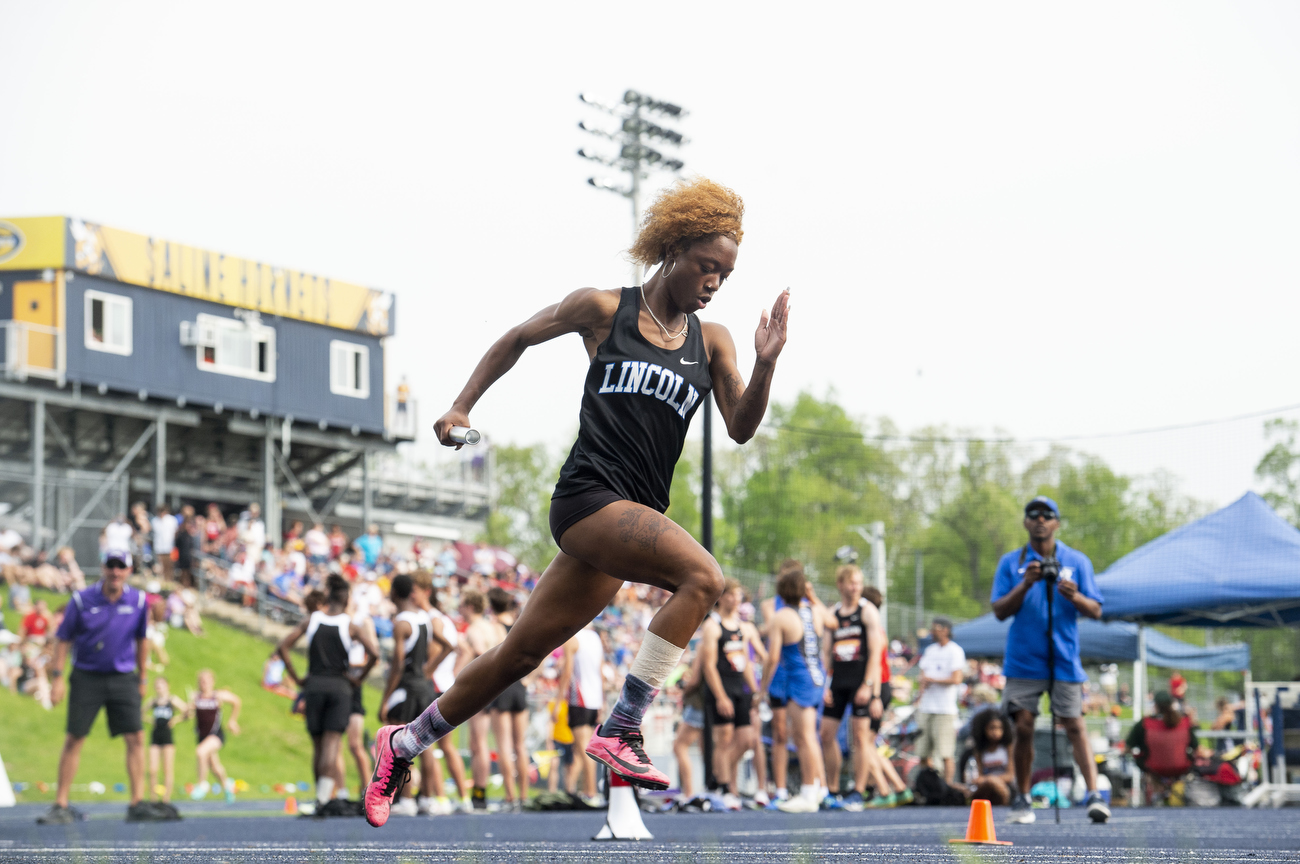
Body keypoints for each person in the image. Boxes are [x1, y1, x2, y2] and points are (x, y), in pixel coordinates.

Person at [363, 178, 785, 828]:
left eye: (725, 276)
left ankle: (404, 741)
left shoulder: (715, 341)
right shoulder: (602, 308)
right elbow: (517, 338)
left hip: (629, 524)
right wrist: (460, 405)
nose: (713, 284)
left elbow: (740, 425)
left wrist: (764, 365)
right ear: (673, 248)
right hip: (588, 501)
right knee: (704, 577)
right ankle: (623, 727)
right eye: (707, 267)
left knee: (517, 657)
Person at [991, 495, 1109, 824]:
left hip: (1065, 657)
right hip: (1023, 660)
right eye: (1033, 514)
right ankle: (1023, 796)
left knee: (1074, 725)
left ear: (1057, 522)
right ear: (1026, 522)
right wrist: (1025, 584)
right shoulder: (1010, 563)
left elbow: (1097, 610)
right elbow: (999, 611)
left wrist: (1075, 596)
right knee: (1023, 726)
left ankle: (1094, 795)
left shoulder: (1077, 560)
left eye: (1047, 515)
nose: (1040, 520)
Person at [40, 551, 173, 823]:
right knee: (74, 737)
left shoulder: (137, 601)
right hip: (86, 676)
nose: (115, 571)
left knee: (135, 737)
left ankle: (137, 803)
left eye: (120, 566)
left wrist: (143, 677)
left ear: (128, 570)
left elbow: (141, 639)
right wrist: (57, 677)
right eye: (111, 566)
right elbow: (63, 638)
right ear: (103, 567)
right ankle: (60, 804)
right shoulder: (81, 600)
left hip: (123, 677)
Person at [276, 574, 380, 811]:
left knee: (318, 745)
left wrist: (297, 678)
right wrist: (356, 679)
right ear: (346, 600)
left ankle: (319, 798)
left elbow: (283, 646)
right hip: (339, 688)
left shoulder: (312, 620)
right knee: (332, 745)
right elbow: (374, 655)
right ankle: (323, 800)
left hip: (313, 686)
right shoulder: (349, 624)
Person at [379, 573, 452, 816]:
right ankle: (426, 799)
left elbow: (398, 664)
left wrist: (386, 697)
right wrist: (427, 670)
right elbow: (448, 645)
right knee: (426, 746)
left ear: (394, 593)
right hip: (424, 687)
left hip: (407, 688)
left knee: (402, 743)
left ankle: (407, 800)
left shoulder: (401, 623)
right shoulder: (425, 619)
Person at [760, 567, 830, 813]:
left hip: (799, 681)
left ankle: (809, 791)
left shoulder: (782, 616)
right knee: (807, 736)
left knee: (804, 737)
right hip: (815, 678)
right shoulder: (815, 612)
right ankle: (813, 789)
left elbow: (773, 657)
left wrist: (762, 688)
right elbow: (831, 622)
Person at [819, 565, 884, 810]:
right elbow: (826, 651)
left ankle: (858, 790)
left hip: (860, 681)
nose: (855, 587)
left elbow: (876, 652)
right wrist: (824, 683)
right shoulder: (833, 613)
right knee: (826, 734)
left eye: (858, 582)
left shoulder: (867, 611)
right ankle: (832, 789)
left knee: (860, 738)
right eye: (851, 583)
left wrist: (869, 687)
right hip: (838, 682)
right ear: (841, 585)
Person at [700, 578, 765, 808]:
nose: (736, 599)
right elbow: (708, 665)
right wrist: (720, 696)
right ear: (721, 598)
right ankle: (725, 787)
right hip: (722, 687)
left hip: (740, 688)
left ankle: (718, 777)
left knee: (747, 739)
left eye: (738, 595)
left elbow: (746, 663)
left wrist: (757, 692)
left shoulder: (742, 627)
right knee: (724, 739)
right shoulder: (713, 626)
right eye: (731, 595)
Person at [860, 585, 912, 808]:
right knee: (869, 743)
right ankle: (897, 787)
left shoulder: (873, 629)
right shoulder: (875, 628)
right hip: (880, 686)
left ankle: (884, 788)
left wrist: (873, 694)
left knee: (865, 744)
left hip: (877, 687)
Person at [456, 589, 505, 810]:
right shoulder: (493, 626)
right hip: (494, 687)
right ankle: (479, 792)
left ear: (469, 606)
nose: (458, 608)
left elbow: (479, 651)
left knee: (478, 743)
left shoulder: (475, 629)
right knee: (481, 742)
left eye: (461, 604)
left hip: (480, 688)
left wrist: (461, 666)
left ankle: (479, 793)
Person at [488, 587, 531, 811]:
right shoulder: (521, 624)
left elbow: (494, 655)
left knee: (504, 745)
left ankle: (510, 797)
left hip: (503, 686)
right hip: (520, 685)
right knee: (520, 745)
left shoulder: (494, 627)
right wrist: (528, 679)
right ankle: (523, 796)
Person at [554, 623, 605, 806]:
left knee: (583, 750)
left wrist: (558, 702)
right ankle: (571, 789)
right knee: (579, 749)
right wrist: (602, 701)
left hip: (580, 700)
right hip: (594, 700)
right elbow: (600, 671)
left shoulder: (573, 639)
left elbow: (567, 672)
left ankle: (590, 793)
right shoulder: (595, 638)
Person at [915, 615, 966, 785]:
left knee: (946, 752)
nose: (932, 631)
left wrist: (932, 680)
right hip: (926, 707)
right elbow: (922, 676)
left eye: (936, 628)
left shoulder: (955, 651)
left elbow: (957, 679)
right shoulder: (930, 651)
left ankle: (948, 786)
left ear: (946, 630)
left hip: (945, 710)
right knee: (922, 751)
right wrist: (922, 686)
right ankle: (929, 786)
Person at [1127, 690, 1199, 805]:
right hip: (1181, 767)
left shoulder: (1145, 723)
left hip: (1154, 768)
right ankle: (1176, 791)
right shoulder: (1183, 722)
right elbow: (1196, 747)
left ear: (1155, 705)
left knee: (1140, 759)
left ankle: (1158, 790)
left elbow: (1128, 746)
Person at [187, 669, 241, 803]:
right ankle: (227, 787)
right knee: (214, 767)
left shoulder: (218, 695)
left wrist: (232, 720)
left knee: (200, 753)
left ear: (213, 682)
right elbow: (188, 714)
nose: (204, 683)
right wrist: (188, 711)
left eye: (206, 680)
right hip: (202, 736)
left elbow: (236, 701)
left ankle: (202, 785)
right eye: (201, 681)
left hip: (215, 735)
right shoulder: (196, 696)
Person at [145, 677, 187, 815]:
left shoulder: (172, 700)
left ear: (167, 686)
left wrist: (176, 719)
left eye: (161, 685)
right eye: (156, 685)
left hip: (167, 737)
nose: (159, 687)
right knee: (152, 768)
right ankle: (153, 799)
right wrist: (151, 720)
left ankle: (166, 800)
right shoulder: (153, 701)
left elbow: (187, 711)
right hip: (155, 736)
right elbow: (140, 712)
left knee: (167, 769)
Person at [965, 709, 1013, 805]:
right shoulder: (979, 750)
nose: (996, 732)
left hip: (1005, 787)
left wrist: (992, 779)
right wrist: (988, 781)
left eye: (1000, 728)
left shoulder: (1008, 748)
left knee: (993, 783)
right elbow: (977, 777)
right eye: (992, 728)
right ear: (984, 729)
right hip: (985, 787)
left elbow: (1010, 776)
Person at [151, 504, 178, 583]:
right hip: (158, 547)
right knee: (159, 566)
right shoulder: (155, 521)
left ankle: (168, 581)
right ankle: (161, 581)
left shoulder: (172, 520)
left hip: (169, 547)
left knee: (169, 566)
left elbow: (175, 532)